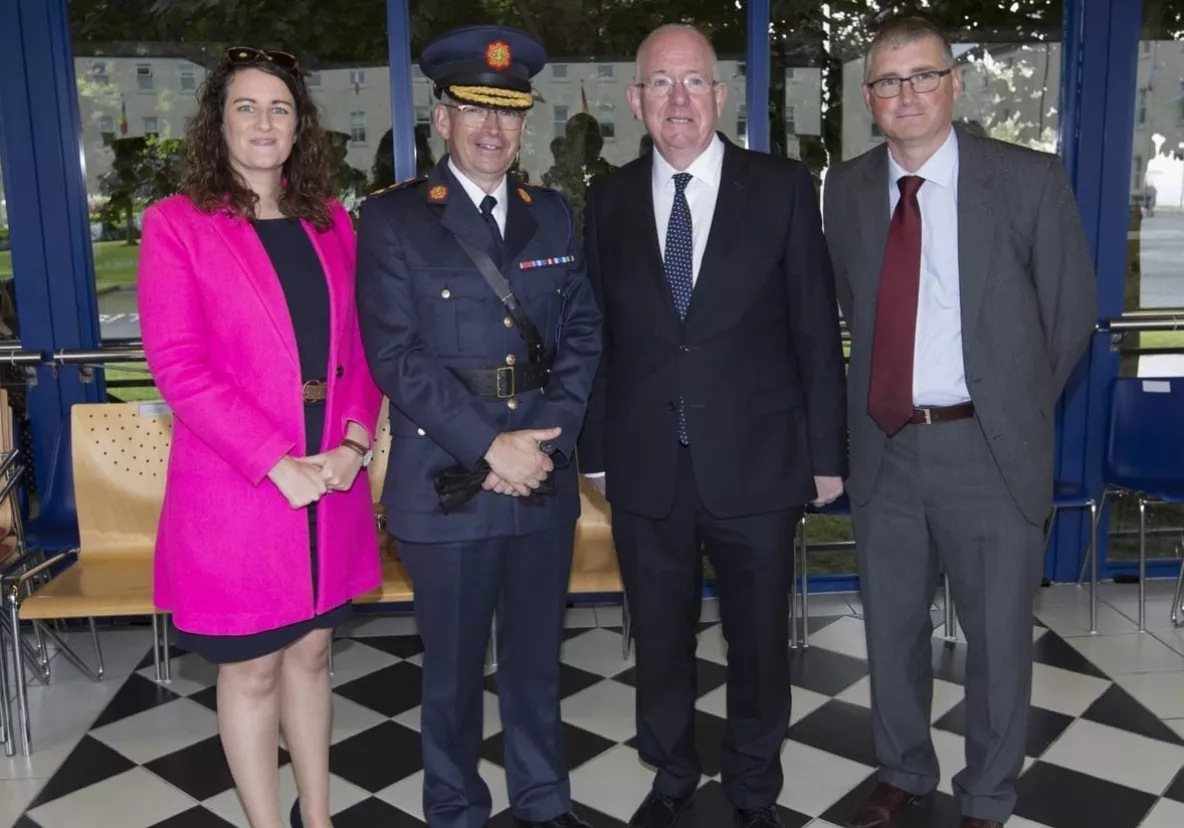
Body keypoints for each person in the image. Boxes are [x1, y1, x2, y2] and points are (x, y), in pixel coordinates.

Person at [821, 16, 1096, 828]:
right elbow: (852, 306)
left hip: (987, 448)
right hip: (887, 449)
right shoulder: (848, 188)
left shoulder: (1026, 179)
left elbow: (1069, 314)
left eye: (921, 76)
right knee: (892, 630)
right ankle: (905, 769)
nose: (905, 94)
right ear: (869, 98)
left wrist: (1010, 408)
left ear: (954, 84)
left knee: (999, 641)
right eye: (887, 81)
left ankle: (986, 792)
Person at [577, 23, 847, 828]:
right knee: (658, 638)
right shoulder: (610, 199)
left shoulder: (783, 186)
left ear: (720, 96)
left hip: (761, 464)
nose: (678, 100)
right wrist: (593, 453)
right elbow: (594, 336)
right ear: (636, 102)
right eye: (660, 84)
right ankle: (670, 775)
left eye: (693, 82)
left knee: (757, 641)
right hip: (645, 464)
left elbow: (813, 331)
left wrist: (824, 456)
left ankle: (754, 784)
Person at [354, 25, 602, 828]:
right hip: (447, 482)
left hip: (539, 479)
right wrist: (488, 445)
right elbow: (396, 355)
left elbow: (585, 336)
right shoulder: (394, 221)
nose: (493, 129)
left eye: (509, 112)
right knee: (453, 673)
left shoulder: (555, 217)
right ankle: (455, 807)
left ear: (525, 121)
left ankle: (542, 799)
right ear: (442, 118)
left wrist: (547, 436)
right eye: (474, 110)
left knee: (534, 664)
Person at [138, 47, 383, 828]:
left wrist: (353, 441)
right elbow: (179, 368)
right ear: (219, 122)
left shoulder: (332, 221)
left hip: (330, 479)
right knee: (252, 672)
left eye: (280, 107)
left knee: (312, 655)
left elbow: (365, 346)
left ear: (300, 125)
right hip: (242, 488)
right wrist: (276, 463)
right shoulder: (176, 225)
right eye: (246, 106)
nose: (264, 122)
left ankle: (318, 816)